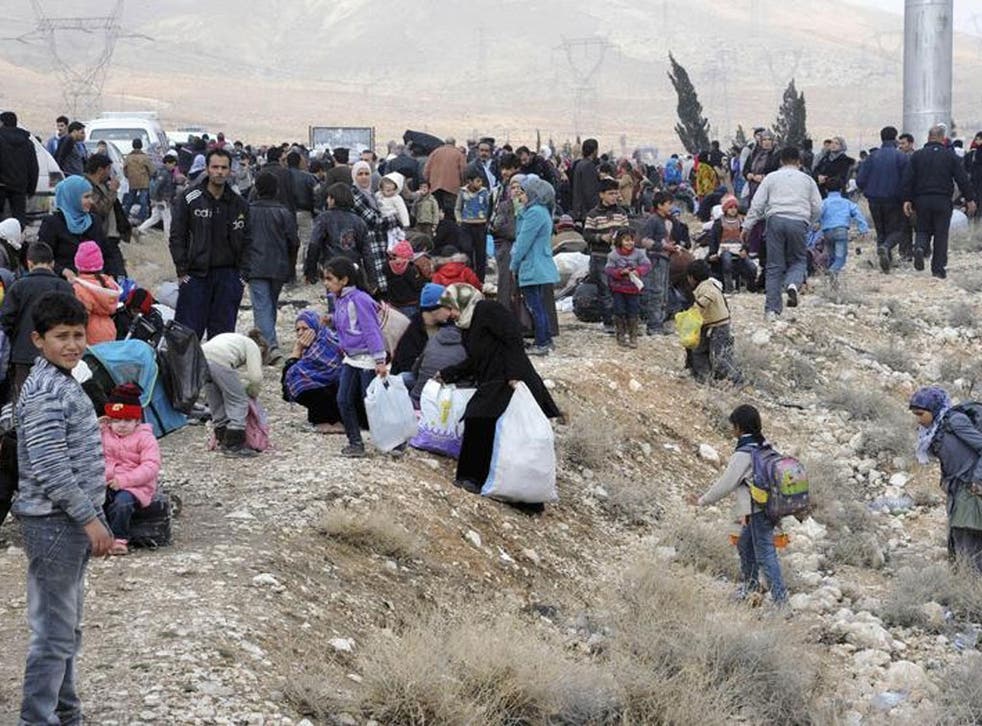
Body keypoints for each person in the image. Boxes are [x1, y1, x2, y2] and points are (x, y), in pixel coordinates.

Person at [12, 291, 114, 724]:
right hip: (54, 523)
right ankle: (37, 717)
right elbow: (52, 468)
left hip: (65, 522)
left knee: (65, 625)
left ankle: (65, 710)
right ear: (38, 340)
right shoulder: (46, 392)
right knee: (53, 632)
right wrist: (91, 520)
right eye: (61, 337)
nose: (73, 345)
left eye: (78, 335)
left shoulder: (60, 381)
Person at [436, 283, 561, 499]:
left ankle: (475, 479)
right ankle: (475, 479)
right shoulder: (466, 325)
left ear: (462, 302)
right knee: (481, 422)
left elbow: (513, 336)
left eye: (450, 307)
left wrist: (514, 374)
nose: (448, 314)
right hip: (493, 380)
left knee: (481, 419)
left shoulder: (486, 310)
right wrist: (448, 373)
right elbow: (476, 359)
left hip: (509, 378)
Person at [686, 404, 787, 605]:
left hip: (758, 510)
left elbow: (726, 484)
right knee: (745, 544)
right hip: (769, 506)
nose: (732, 430)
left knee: (766, 553)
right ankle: (750, 589)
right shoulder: (765, 446)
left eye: (734, 426)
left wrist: (701, 501)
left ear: (739, 427)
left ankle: (782, 604)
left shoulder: (744, 453)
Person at [169, 148, 251, 340]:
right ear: (207, 168)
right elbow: (177, 236)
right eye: (215, 167)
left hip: (228, 277)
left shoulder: (239, 204)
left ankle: (217, 371)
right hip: (196, 277)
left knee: (222, 340)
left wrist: (243, 276)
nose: (219, 172)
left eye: (224, 168)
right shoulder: (189, 199)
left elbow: (249, 240)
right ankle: (185, 372)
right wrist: (182, 272)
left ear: (230, 171)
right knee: (186, 337)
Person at [741, 146, 822, 322]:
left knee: (774, 266)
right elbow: (817, 206)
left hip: (775, 220)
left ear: (780, 161)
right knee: (799, 260)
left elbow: (757, 204)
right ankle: (792, 284)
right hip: (799, 220)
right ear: (799, 162)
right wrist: (809, 221)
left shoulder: (771, 178)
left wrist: (747, 226)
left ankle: (772, 310)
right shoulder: (807, 180)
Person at [909, 386, 982, 572]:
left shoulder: (955, 421)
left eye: (920, 414)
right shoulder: (936, 429)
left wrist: (978, 479)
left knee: (968, 540)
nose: (918, 419)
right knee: (958, 540)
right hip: (958, 491)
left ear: (933, 410)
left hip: (971, 490)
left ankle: (970, 590)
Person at [321, 256, 388, 458]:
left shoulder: (360, 300)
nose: (326, 283)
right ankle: (355, 442)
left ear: (344, 280)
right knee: (343, 399)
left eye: (329, 278)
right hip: (351, 358)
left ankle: (393, 440)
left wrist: (379, 361)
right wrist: (331, 320)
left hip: (367, 358)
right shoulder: (341, 299)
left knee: (370, 402)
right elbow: (347, 324)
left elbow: (371, 331)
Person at [0, 242, 74, 401]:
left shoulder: (18, 286)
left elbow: (6, 320)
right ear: (53, 264)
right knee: (55, 401)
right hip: (57, 355)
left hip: (23, 356)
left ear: (29, 263)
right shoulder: (65, 288)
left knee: (24, 403)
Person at [902, 124, 977, 279]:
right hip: (943, 200)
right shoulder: (951, 156)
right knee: (941, 234)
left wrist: (907, 199)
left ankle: (920, 247)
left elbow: (908, 180)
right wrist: (970, 199)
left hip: (921, 200)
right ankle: (938, 269)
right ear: (943, 139)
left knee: (922, 229)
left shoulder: (917, 156)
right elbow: (962, 180)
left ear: (928, 138)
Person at [99, 382, 161, 556]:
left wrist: (124, 481)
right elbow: (87, 452)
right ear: (108, 420)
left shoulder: (145, 438)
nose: (122, 425)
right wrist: (95, 427)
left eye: (128, 420)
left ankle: (119, 538)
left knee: (122, 504)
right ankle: (98, 536)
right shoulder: (103, 434)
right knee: (93, 501)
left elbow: (151, 466)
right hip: (106, 480)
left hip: (135, 484)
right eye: (116, 420)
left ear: (137, 421)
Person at [247, 171, 299, 364]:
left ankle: (269, 346)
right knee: (269, 305)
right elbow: (293, 241)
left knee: (262, 306)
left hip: (255, 266)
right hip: (279, 266)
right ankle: (267, 343)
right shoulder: (283, 212)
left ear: (256, 189)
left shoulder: (248, 211)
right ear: (276, 190)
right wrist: (291, 266)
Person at [510, 177, 559, 355]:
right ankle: (545, 339)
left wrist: (514, 264)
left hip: (532, 264)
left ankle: (542, 342)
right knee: (538, 304)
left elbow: (523, 241)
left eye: (522, 192)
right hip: (539, 263)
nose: (519, 196)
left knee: (535, 305)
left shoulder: (534, 213)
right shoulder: (542, 210)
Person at [201, 330, 266, 457]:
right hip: (220, 360)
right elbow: (256, 378)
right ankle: (234, 444)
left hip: (200, 358)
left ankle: (221, 436)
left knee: (216, 399)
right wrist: (252, 392)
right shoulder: (252, 345)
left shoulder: (234, 338)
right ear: (262, 348)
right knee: (238, 400)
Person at [856, 126, 909, 273]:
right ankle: (886, 248)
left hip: (874, 200)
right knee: (899, 230)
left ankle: (885, 263)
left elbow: (860, 180)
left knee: (881, 231)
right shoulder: (901, 157)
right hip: (894, 200)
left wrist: (867, 190)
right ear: (895, 138)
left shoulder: (872, 157)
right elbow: (907, 181)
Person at [282, 310, 344, 433]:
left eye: (305, 329)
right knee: (302, 379)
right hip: (328, 395)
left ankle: (336, 421)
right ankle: (322, 420)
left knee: (307, 380)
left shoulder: (330, 343)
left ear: (316, 328)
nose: (300, 333)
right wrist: (297, 350)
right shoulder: (308, 350)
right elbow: (287, 383)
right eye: (297, 330)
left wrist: (297, 351)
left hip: (341, 393)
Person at [584, 177, 630, 334]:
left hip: (618, 257)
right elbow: (587, 235)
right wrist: (601, 238)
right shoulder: (593, 214)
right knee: (605, 290)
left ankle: (621, 320)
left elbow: (627, 232)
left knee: (621, 289)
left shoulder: (621, 213)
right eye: (610, 193)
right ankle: (609, 322)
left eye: (616, 193)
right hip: (600, 256)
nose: (614, 197)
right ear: (601, 195)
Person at [38, 175, 105, 281]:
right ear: (72, 198)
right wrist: (63, 270)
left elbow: (107, 251)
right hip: (61, 282)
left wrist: (118, 274)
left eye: (91, 197)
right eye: (86, 197)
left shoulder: (94, 221)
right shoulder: (53, 223)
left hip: (92, 281)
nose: (91, 201)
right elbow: (42, 257)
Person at [686, 259, 742, 384]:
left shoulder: (706, 287)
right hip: (710, 325)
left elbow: (709, 296)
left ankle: (737, 380)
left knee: (719, 358)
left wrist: (697, 307)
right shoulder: (710, 284)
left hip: (719, 326)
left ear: (692, 277)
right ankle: (705, 378)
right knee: (699, 351)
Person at [304, 182, 371, 286]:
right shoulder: (359, 221)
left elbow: (314, 245)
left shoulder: (324, 218)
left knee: (335, 299)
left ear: (333, 199)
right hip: (353, 268)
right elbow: (367, 253)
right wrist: (372, 279)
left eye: (328, 198)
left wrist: (310, 271)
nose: (327, 201)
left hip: (332, 268)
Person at [350, 160, 398, 294]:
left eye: (367, 173)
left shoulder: (371, 194)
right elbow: (373, 221)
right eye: (360, 174)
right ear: (354, 176)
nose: (364, 177)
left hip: (379, 241)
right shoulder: (356, 196)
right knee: (373, 280)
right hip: (369, 242)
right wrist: (396, 218)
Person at [640, 191, 682, 335]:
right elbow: (644, 241)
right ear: (659, 205)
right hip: (655, 259)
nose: (671, 207)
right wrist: (663, 247)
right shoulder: (653, 220)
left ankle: (660, 322)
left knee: (663, 292)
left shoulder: (668, 221)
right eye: (669, 204)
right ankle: (654, 325)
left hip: (665, 258)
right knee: (656, 292)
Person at [83, 153, 130, 278]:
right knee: (115, 274)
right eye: (108, 169)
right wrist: (113, 191)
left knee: (118, 275)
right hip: (102, 236)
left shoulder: (103, 185)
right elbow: (100, 210)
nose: (110, 173)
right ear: (100, 170)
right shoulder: (87, 186)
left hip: (111, 237)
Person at [390, 282, 449, 379]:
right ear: (434, 308)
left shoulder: (450, 325)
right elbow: (406, 365)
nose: (451, 310)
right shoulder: (411, 333)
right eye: (446, 306)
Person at [605, 228, 650, 348]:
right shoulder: (613, 255)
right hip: (618, 288)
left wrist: (638, 271)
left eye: (632, 240)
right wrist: (620, 272)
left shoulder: (639, 253)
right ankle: (620, 335)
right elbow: (608, 270)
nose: (630, 243)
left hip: (633, 289)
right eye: (626, 240)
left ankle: (633, 336)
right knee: (619, 311)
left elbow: (647, 265)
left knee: (633, 311)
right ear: (620, 241)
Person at [819, 177, 870, 284]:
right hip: (841, 230)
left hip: (827, 231)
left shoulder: (824, 203)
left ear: (826, 190)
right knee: (841, 257)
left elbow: (817, 215)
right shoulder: (847, 203)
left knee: (831, 256)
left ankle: (833, 284)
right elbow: (858, 214)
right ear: (841, 190)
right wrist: (863, 229)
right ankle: (833, 271)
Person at [70, 241, 120, 346]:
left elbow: (80, 319)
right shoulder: (108, 284)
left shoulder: (80, 288)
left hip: (89, 336)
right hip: (109, 331)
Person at [707, 195, 756, 293]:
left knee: (752, 267)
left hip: (739, 250)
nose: (733, 210)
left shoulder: (742, 222)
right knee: (727, 262)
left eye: (735, 207)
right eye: (730, 207)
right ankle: (729, 287)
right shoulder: (719, 222)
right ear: (725, 209)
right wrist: (712, 252)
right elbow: (712, 238)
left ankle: (751, 288)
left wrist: (745, 249)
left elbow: (747, 238)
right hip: (724, 249)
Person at [0, 111, 39, 229]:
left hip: (1, 186)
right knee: (19, 220)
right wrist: (31, 189)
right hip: (20, 188)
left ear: (2, 123)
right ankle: (18, 244)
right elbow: (33, 167)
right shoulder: (28, 143)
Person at [454, 168, 490, 280]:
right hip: (466, 225)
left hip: (480, 225)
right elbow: (458, 208)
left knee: (481, 254)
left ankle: (480, 279)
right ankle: (468, 277)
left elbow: (489, 207)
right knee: (467, 250)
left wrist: (488, 221)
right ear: (469, 181)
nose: (480, 184)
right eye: (477, 181)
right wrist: (459, 219)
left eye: (481, 181)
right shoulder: (463, 192)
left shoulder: (484, 192)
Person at [137, 151, 180, 239]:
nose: (173, 167)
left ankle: (141, 228)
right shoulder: (164, 173)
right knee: (167, 218)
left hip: (160, 199)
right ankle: (168, 237)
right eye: (172, 164)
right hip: (162, 199)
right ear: (167, 163)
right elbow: (157, 186)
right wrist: (154, 199)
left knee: (155, 217)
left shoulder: (163, 172)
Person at [424, 138, 467, 216]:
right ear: (454, 144)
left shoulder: (435, 152)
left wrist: (428, 182)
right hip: (452, 188)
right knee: (450, 212)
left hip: (435, 186)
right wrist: (463, 184)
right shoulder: (459, 154)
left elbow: (427, 169)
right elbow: (463, 171)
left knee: (436, 209)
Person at [383, 240, 424, 319]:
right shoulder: (410, 268)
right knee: (412, 327)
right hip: (410, 304)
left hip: (394, 304)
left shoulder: (387, 267)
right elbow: (417, 286)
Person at [122, 138, 155, 223]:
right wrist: (150, 177)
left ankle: (124, 215)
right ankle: (141, 217)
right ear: (141, 145)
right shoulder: (144, 157)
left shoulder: (128, 157)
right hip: (144, 181)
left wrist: (129, 177)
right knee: (143, 200)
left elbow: (124, 170)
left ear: (133, 145)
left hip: (132, 181)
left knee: (130, 199)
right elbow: (151, 170)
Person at [375, 171, 411, 249]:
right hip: (382, 220)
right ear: (381, 189)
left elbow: (402, 211)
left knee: (393, 237)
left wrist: (406, 223)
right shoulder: (378, 195)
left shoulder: (396, 198)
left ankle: (392, 249)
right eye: (388, 190)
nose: (390, 192)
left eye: (393, 190)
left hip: (393, 221)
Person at [572, 138, 600, 222]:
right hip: (586, 211)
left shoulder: (580, 164)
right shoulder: (588, 166)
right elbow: (589, 191)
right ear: (594, 151)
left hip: (579, 209)